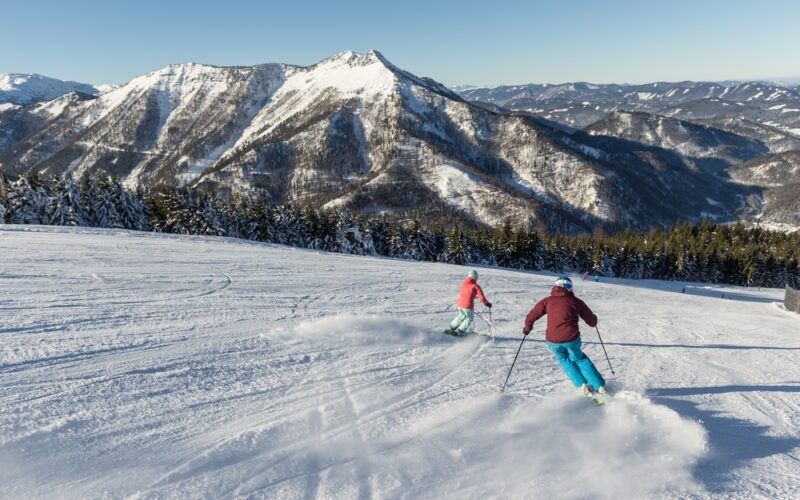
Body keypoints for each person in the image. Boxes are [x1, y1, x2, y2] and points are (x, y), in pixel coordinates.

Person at [522, 276, 606, 397]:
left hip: (553, 340)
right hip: (571, 339)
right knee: (580, 359)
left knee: (565, 360)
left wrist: (527, 328)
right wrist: (594, 320)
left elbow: (531, 316)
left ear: (555, 287)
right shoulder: (576, 302)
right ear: (570, 288)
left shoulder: (547, 301)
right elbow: (591, 322)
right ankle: (599, 385)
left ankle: (582, 384)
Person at [448, 270, 492, 334]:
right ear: (475, 277)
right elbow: (482, 297)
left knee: (461, 316)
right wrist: (487, 304)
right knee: (469, 318)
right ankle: (460, 331)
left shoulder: (464, 283)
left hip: (460, 304)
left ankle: (451, 329)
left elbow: (466, 293)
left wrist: (473, 296)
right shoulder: (475, 286)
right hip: (468, 306)